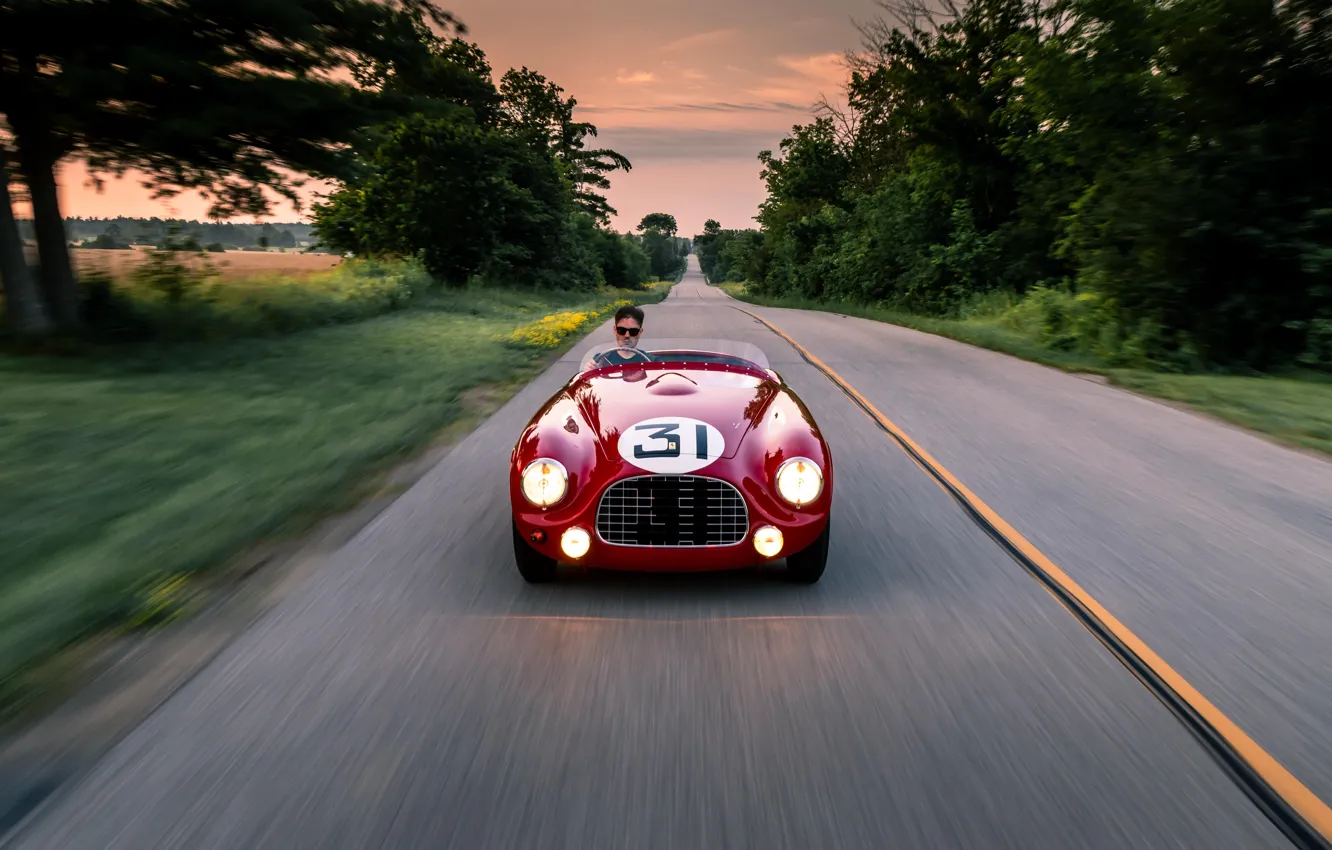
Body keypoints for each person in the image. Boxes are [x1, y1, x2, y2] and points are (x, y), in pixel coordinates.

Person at [586, 305, 653, 370]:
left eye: (633, 331)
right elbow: (590, 381)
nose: (627, 335)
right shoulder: (601, 360)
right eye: (622, 330)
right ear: (615, 330)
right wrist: (589, 372)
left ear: (640, 332)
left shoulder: (653, 361)